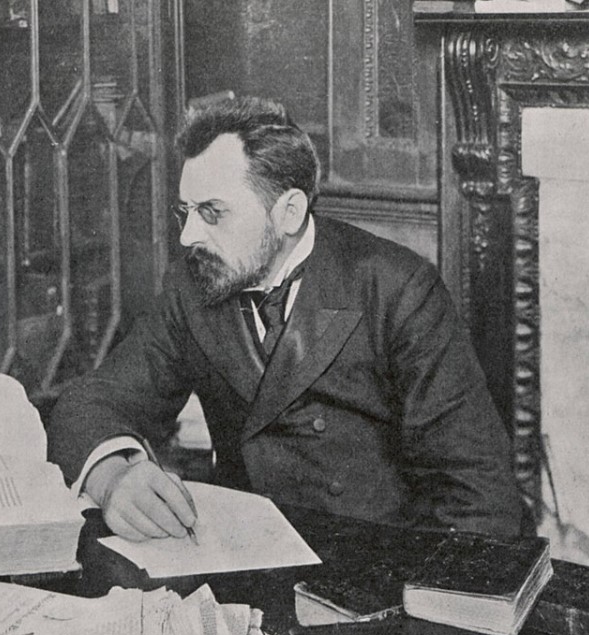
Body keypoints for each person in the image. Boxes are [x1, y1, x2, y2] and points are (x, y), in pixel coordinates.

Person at [47, 96, 525, 542]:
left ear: (289, 212)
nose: (190, 235)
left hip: (377, 570)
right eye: (185, 212)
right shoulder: (193, 285)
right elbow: (90, 402)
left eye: (212, 213)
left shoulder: (397, 288)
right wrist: (115, 477)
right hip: (246, 558)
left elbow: (478, 493)